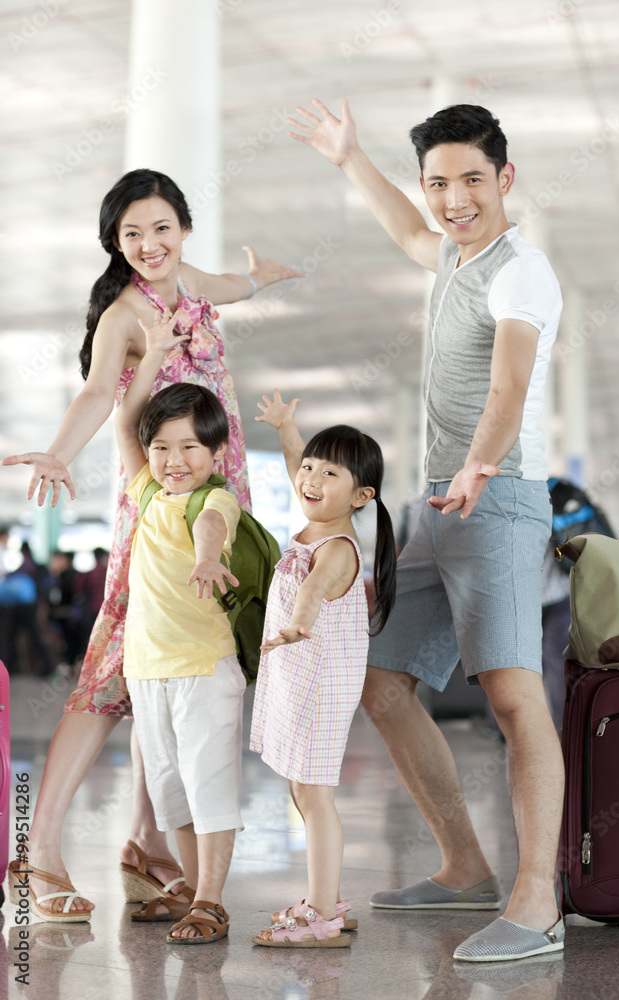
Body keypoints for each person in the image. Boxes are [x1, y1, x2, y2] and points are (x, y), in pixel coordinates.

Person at [289, 100, 565, 961]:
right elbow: (408, 232)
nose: (453, 199)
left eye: (470, 180)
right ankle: (463, 867)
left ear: (504, 179)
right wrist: (348, 158)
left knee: (514, 698)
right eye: (439, 182)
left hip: (502, 496)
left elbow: (509, 386)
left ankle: (535, 902)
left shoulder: (522, 271)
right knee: (380, 678)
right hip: (436, 505)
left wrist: (482, 461)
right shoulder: (450, 254)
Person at [2, 168, 301, 919]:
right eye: (130, 234)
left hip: (219, 504)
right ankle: (33, 854)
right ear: (114, 242)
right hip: (161, 513)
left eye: (161, 228)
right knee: (113, 673)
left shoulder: (191, 280)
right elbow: (100, 392)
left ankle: (146, 846)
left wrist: (258, 278)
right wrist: (61, 454)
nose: (148, 244)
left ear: (184, 228)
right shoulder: (125, 314)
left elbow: (228, 285)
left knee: (166, 677)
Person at [250, 390, 396, 947]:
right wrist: (289, 431)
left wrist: (297, 623)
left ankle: (322, 916)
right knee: (302, 791)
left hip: (315, 683)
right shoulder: (318, 516)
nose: (310, 477)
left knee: (314, 796)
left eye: (328, 472)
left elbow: (312, 591)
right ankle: (327, 899)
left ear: (361, 494)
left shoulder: (337, 548)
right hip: (301, 679)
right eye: (310, 466)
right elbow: (297, 468)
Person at [115, 313, 244, 944]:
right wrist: (154, 355)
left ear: (216, 453)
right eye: (162, 446)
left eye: (190, 446)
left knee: (209, 781)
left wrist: (205, 557)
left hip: (204, 667)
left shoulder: (214, 499)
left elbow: (213, 529)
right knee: (171, 791)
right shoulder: (144, 489)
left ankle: (212, 902)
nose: (173, 459)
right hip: (148, 669)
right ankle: (195, 888)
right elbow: (122, 424)